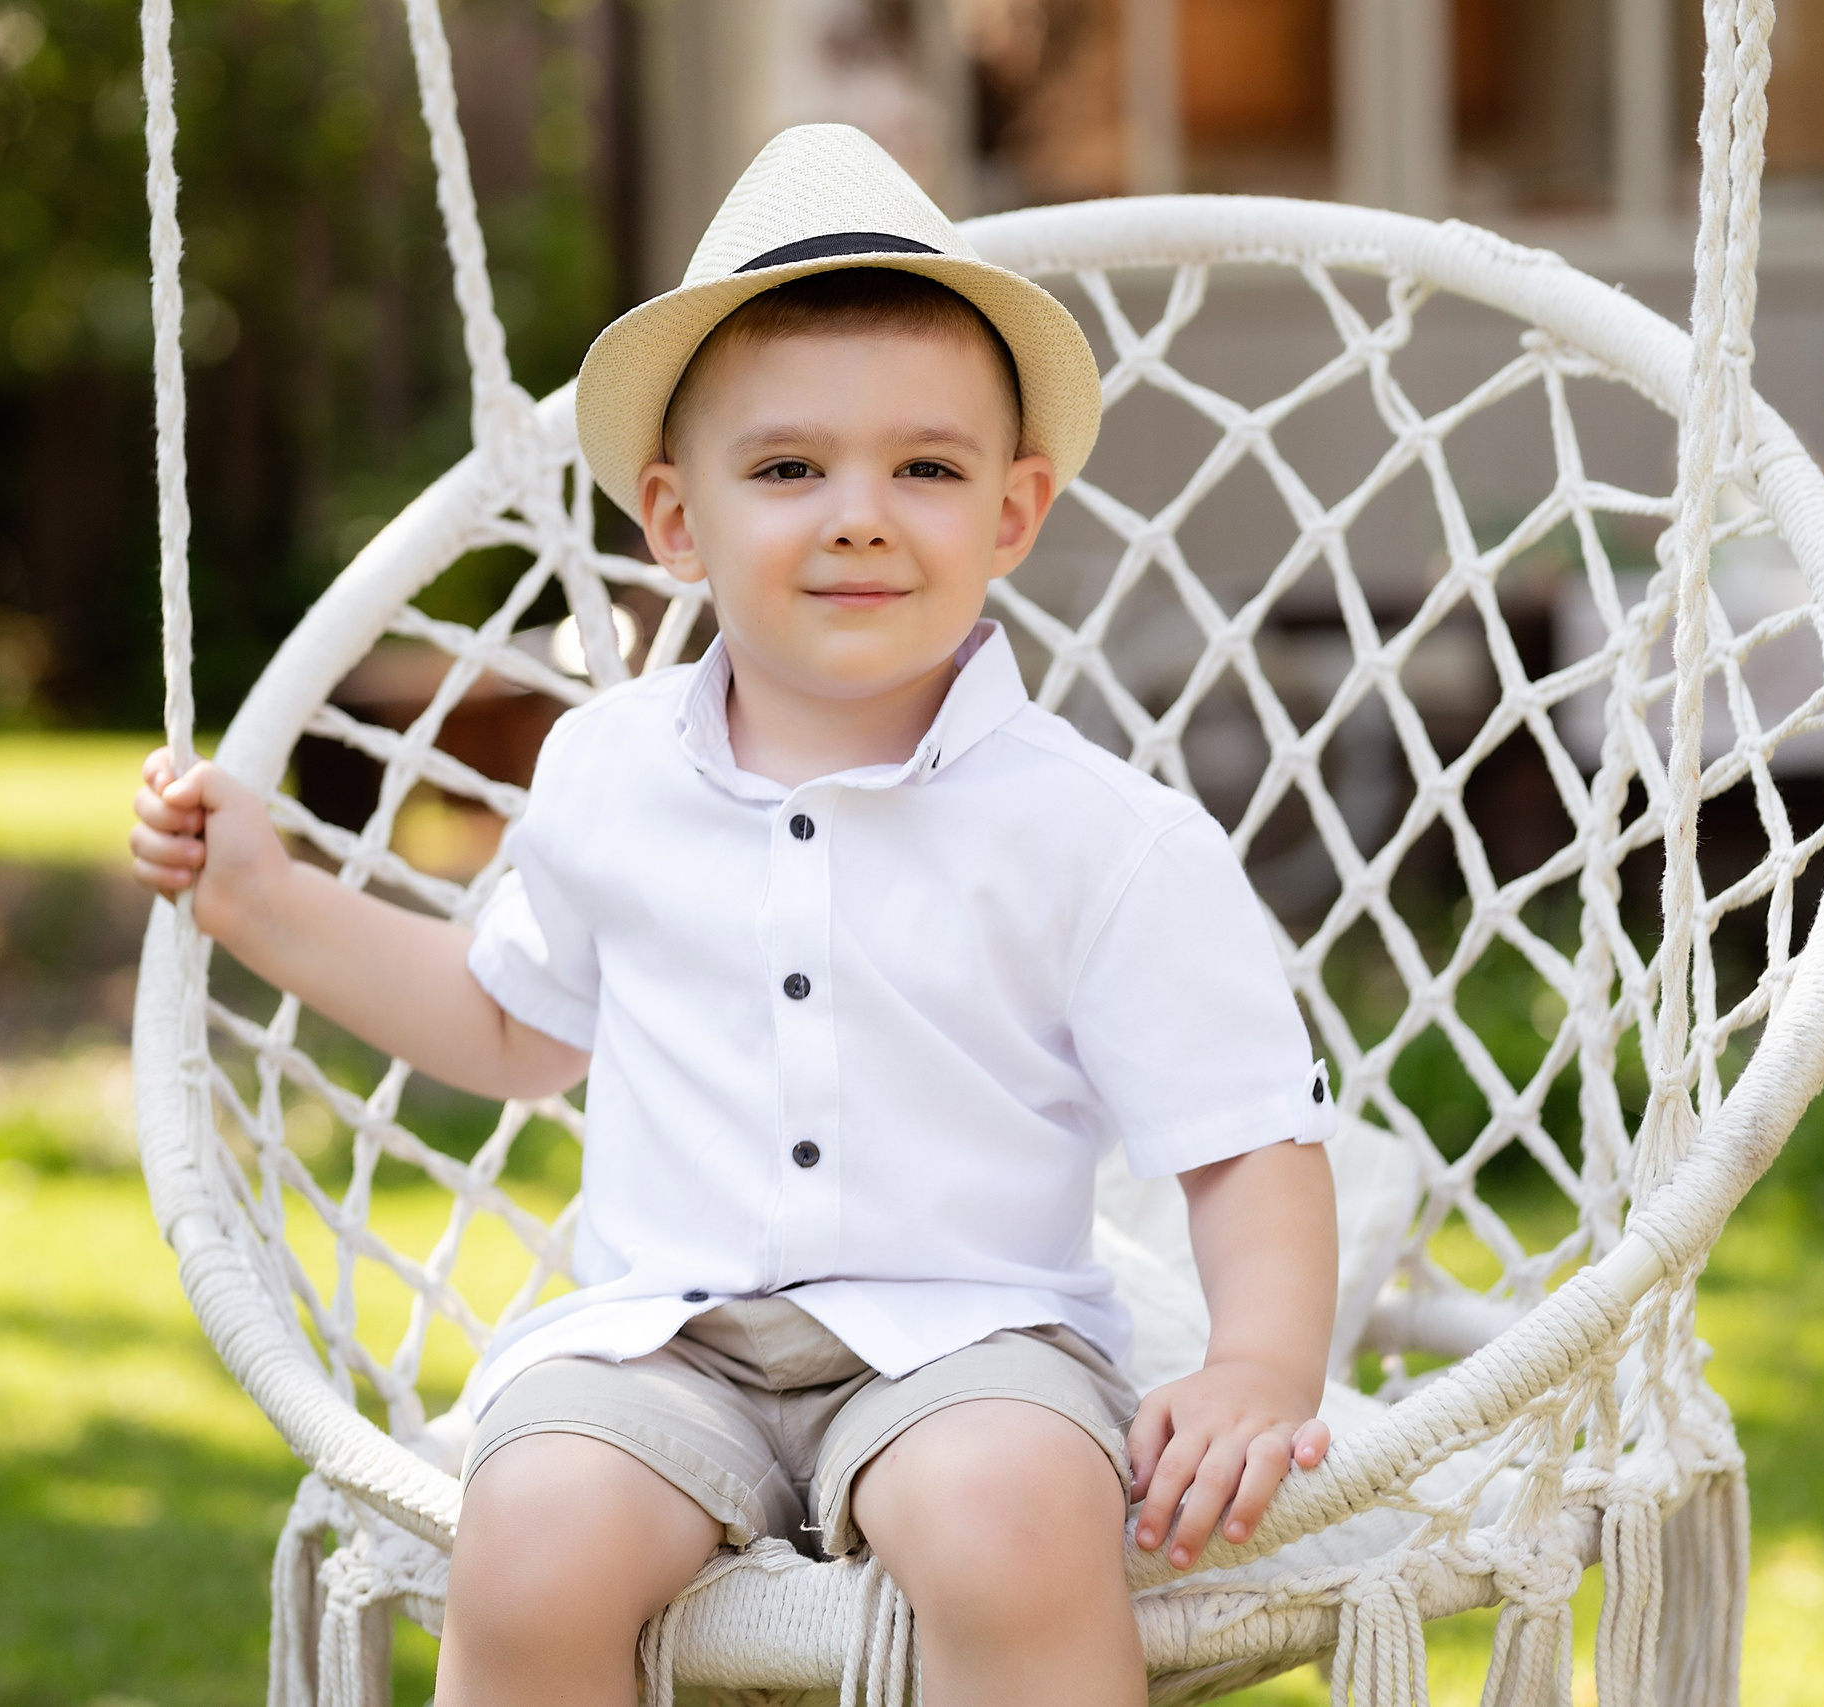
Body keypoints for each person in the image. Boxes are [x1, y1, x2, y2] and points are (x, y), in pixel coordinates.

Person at [130, 124, 1338, 1707]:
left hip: (969, 1340)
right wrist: (264, 899)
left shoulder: (1097, 835)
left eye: (926, 467)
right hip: (663, 1340)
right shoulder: (607, 769)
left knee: (1015, 1523)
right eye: (787, 469)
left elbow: (1246, 1137)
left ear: (1014, 512)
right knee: (535, 1535)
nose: (857, 514)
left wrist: (1257, 1364)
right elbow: (507, 1025)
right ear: (676, 523)